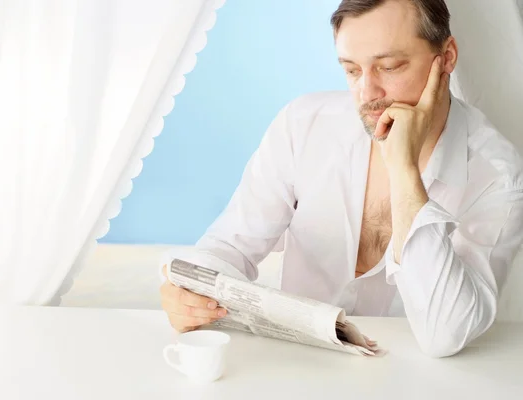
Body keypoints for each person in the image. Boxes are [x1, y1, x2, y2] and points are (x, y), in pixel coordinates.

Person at [159, 0, 523, 357]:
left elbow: (446, 334)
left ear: (446, 58)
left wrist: (404, 171)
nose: (367, 94)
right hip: (298, 365)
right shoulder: (303, 125)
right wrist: (189, 291)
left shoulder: (498, 176)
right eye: (352, 70)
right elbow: (231, 245)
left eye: (390, 66)